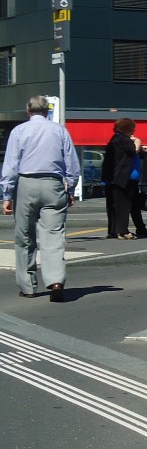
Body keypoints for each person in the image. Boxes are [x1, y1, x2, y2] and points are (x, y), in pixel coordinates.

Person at [1, 95, 81, 301]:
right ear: (47, 111)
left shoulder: (19, 131)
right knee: (53, 236)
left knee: (25, 237)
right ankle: (55, 281)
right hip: (53, 184)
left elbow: (10, 164)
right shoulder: (60, 131)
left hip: (25, 184)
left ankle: (28, 286)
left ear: (28, 111)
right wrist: (70, 189)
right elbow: (72, 163)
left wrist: (6, 194)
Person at [101, 117, 140, 240]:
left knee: (112, 205)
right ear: (128, 129)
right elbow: (134, 150)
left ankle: (112, 231)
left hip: (110, 178)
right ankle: (123, 231)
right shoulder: (125, 140)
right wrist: (138, 141)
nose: (133, 132)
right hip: (123, 178)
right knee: (124, 205)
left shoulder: (114, 139)